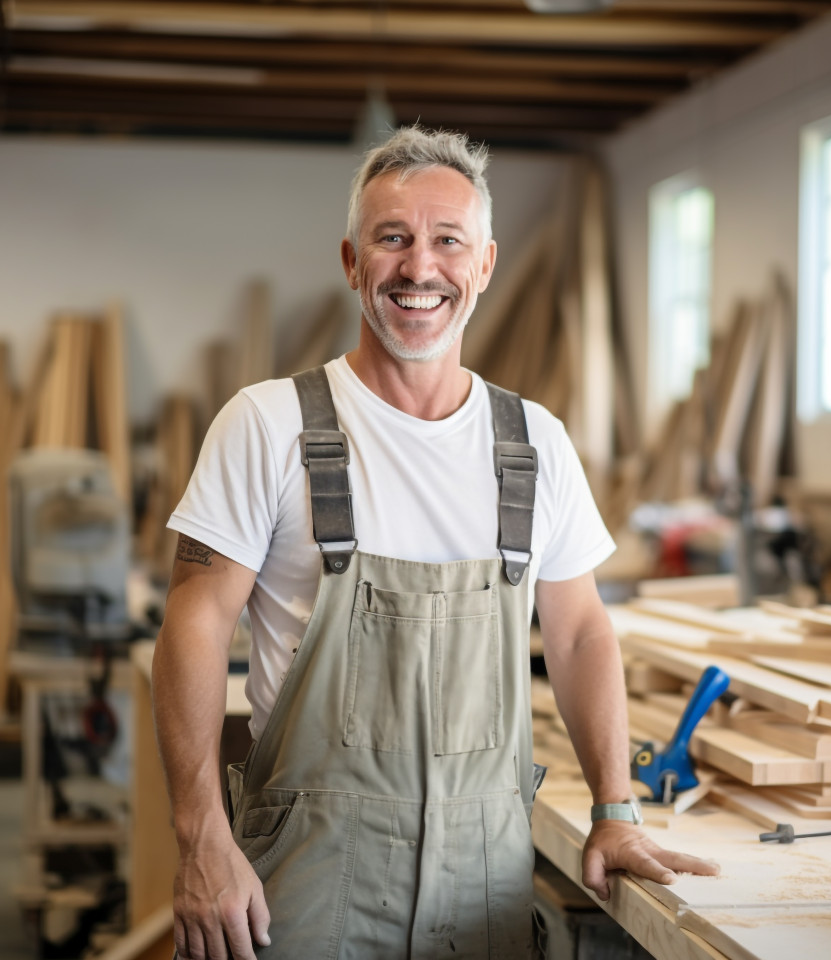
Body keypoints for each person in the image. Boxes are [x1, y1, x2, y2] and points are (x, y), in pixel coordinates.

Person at [152, 125, 719, 960]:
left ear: (483, 264)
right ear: (352, 262)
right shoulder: (268, 424)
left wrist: (615, 807)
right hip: (307, 888)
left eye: (448, 241)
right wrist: (201, 837)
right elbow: (192, 625)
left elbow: (580, 630)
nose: (421, 269)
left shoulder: (534, 444)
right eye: (393, 239)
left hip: (482, 888)